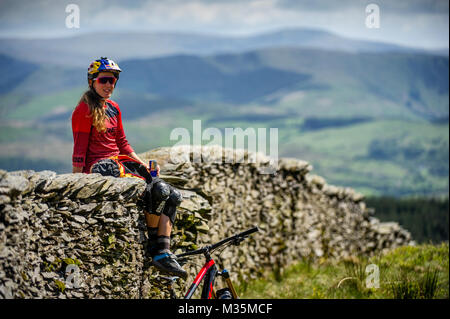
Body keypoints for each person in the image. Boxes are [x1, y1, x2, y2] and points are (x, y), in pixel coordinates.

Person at [71, 57, 187, 279]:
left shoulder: (114, 108)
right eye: (104, 80)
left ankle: (164, 251)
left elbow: (123, 143)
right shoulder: (84, 110)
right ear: (92, 81)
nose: (109, 85)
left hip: (121, 162)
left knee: (173, 195)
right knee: (158, 193)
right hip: (102, 167)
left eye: (113, 81)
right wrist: (77, 183)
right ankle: (156, 248)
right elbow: (79, 150)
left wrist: (142, 165)